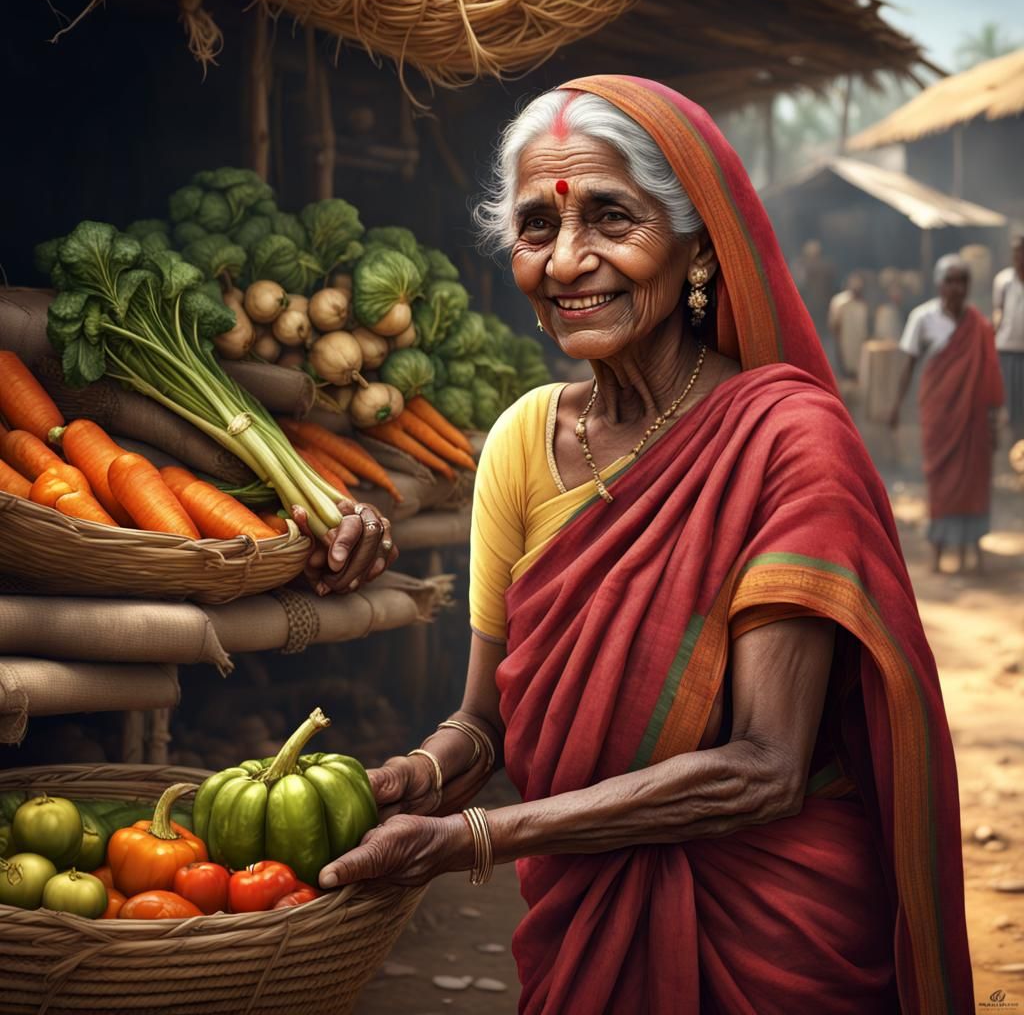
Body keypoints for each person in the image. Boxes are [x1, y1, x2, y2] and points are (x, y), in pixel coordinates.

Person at [318, 77, 974, 1014]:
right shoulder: (519, 440)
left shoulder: (786, 442)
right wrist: (424, 771)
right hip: (587, 918)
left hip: (778, 934)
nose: (569, 261)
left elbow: (765, 767)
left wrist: (474, 838)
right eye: (537, 228)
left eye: (612, 218)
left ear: (695, 242)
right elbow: (483, 724)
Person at [891, 255, 1004, 573]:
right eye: (951, 280)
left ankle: (974, 554)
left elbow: (990, 373)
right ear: (940, 284)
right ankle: (939, 556)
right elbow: (908, 366)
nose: (957, 287)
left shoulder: (979, 326)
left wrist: (995, 417)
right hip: (939, 416)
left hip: (973, 418)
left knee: (975, 481)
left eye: (962, 281)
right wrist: (896, 406)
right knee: (939, 483)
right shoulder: (922, 318)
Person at [993, 235, 1024, 443]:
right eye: (1015, 251)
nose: (1018, 256)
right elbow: (998, 312)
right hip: (1007, 351)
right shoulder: (1003, 281)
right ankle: (1016, 450)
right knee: (1011, 407)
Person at [828, 272, 870, 378]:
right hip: (844, 345)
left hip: (859, 347)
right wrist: (838, 348)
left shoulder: (863, 304)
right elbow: (834, 326)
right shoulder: (840, 302)